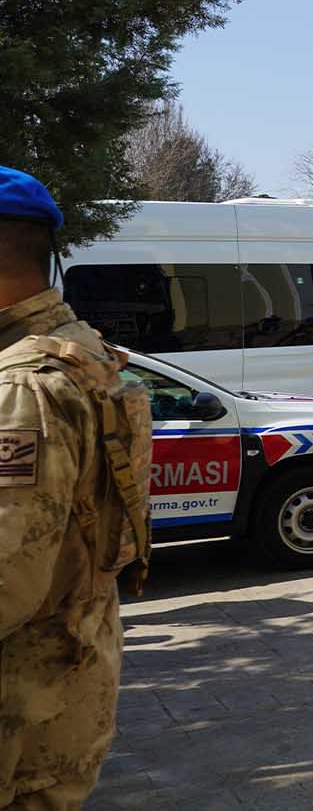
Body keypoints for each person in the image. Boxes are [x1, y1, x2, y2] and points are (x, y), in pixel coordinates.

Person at [0, 166, 154, 808]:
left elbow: (8, 576)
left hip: (23, 702)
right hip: (69, 677)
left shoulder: (21, 384)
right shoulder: (85, 351)